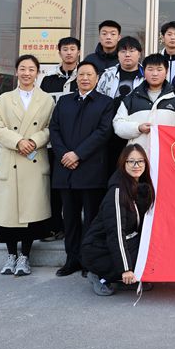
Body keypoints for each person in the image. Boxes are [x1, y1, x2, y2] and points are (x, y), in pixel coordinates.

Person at [0, 55, 55, 277]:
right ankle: (11, 255)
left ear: (38, 73)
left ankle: (25, 256)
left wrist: (34, 141)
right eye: (23, 69)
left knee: (30, 212)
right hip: (11, 157)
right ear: (16, 71)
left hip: (34, 159)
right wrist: (18, 141)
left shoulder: (47, 100)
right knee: (8, 213)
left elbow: (50, 127)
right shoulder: (4, 99)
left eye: (31, 69)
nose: (27, 73)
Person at [49, 61, 116, 277]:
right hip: (65, 169)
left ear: (97, 78)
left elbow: (103, 132)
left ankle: (89, 261)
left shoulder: (105, 103)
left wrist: (77, 154)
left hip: (91, 168)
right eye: (81, 74)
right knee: (69, 218)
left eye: (89, 75)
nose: (85, 78)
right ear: (76, 78)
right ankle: (72, 260)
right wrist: (65, 155)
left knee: (91, 219)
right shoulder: (64, 101)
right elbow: (54, 129)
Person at [81, 144, 154, 296]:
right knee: (139, 256)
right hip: (99, 248)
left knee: (152, 250)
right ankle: (100, 277)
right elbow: (116, 233)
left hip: (126, 240)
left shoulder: (138, 187)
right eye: (131, 161)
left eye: (140, 161)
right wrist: (125, 268)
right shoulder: (117, 192)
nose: (136, 165)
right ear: (123, 163)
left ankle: (126, 279)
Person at [37, 35, 81, 242]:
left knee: (77, 188)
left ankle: (76, 227)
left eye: (73, 49)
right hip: (53, 142)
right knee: (53, 186)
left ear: (78, 52)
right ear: (59, 52)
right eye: (65, 49)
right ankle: (55, 226)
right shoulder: (48, 79)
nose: (69, 53)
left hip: (77, 143)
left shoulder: (84, 76)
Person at [113, 53, 175, 151]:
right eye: (150, 69)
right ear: (144, 71)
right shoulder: (131, 98)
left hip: (167, 153)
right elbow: (118, 125)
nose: (155, 74)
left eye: (159, 69)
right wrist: (138, 128)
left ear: (166, 72)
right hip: (138, 155)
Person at [96, 36, 144, 100]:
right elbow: (98, 100)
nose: (127, 55)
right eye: (123, 51)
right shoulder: (107, 75)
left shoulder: (146, 76)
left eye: (131, 51)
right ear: (118, 55)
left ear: (139, 54)